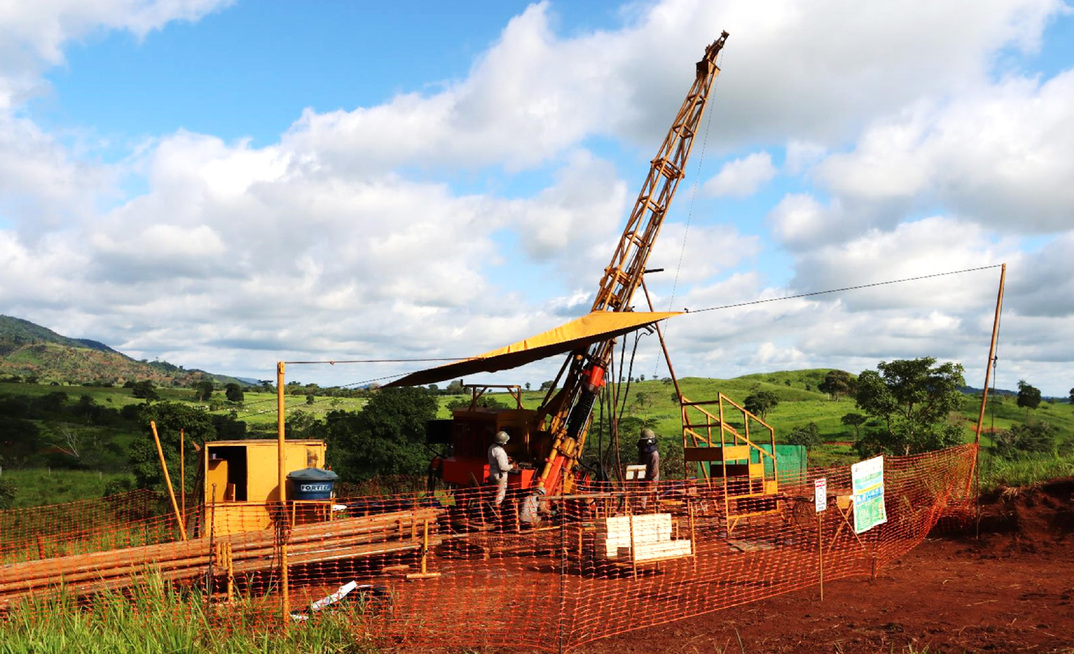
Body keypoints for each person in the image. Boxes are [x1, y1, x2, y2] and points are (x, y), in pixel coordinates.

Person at [488, 430, 514, 506]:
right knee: (500, 494)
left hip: (493, 473)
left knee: (495, 493)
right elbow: (503, 467)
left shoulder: (492, 447)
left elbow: (495, 459)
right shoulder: (500, 452)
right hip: (500, 476)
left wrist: (506, 459)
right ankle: (496, 508)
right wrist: (512, 466)